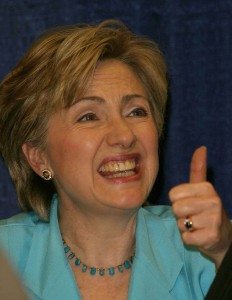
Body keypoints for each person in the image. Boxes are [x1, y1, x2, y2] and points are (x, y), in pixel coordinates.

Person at [0, 20, 231, 300]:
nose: (124, 135)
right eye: (89, 116)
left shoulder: (209, 248)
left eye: (136, 112)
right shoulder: (6, 258)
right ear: (38, 158)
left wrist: (224, 255)